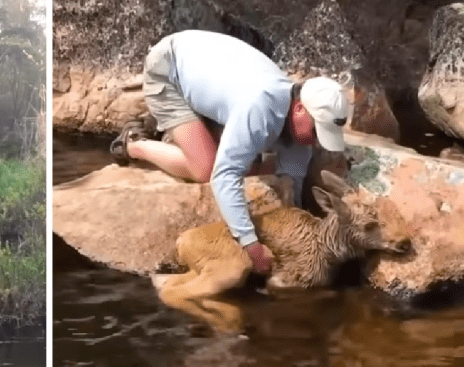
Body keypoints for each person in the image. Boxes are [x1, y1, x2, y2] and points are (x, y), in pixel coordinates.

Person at [110, 30, 350, 274]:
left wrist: (299, 234)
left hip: (201, 64)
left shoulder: (299, 123)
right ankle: (134, 143)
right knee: (206, 167)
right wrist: (251, 245)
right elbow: (224, 177)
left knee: (251, 164)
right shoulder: (261, 109)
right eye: (317, 131)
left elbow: (293, 180)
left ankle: (183, 126)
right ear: (299, 109)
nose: (318, 141)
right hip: (168, 70)